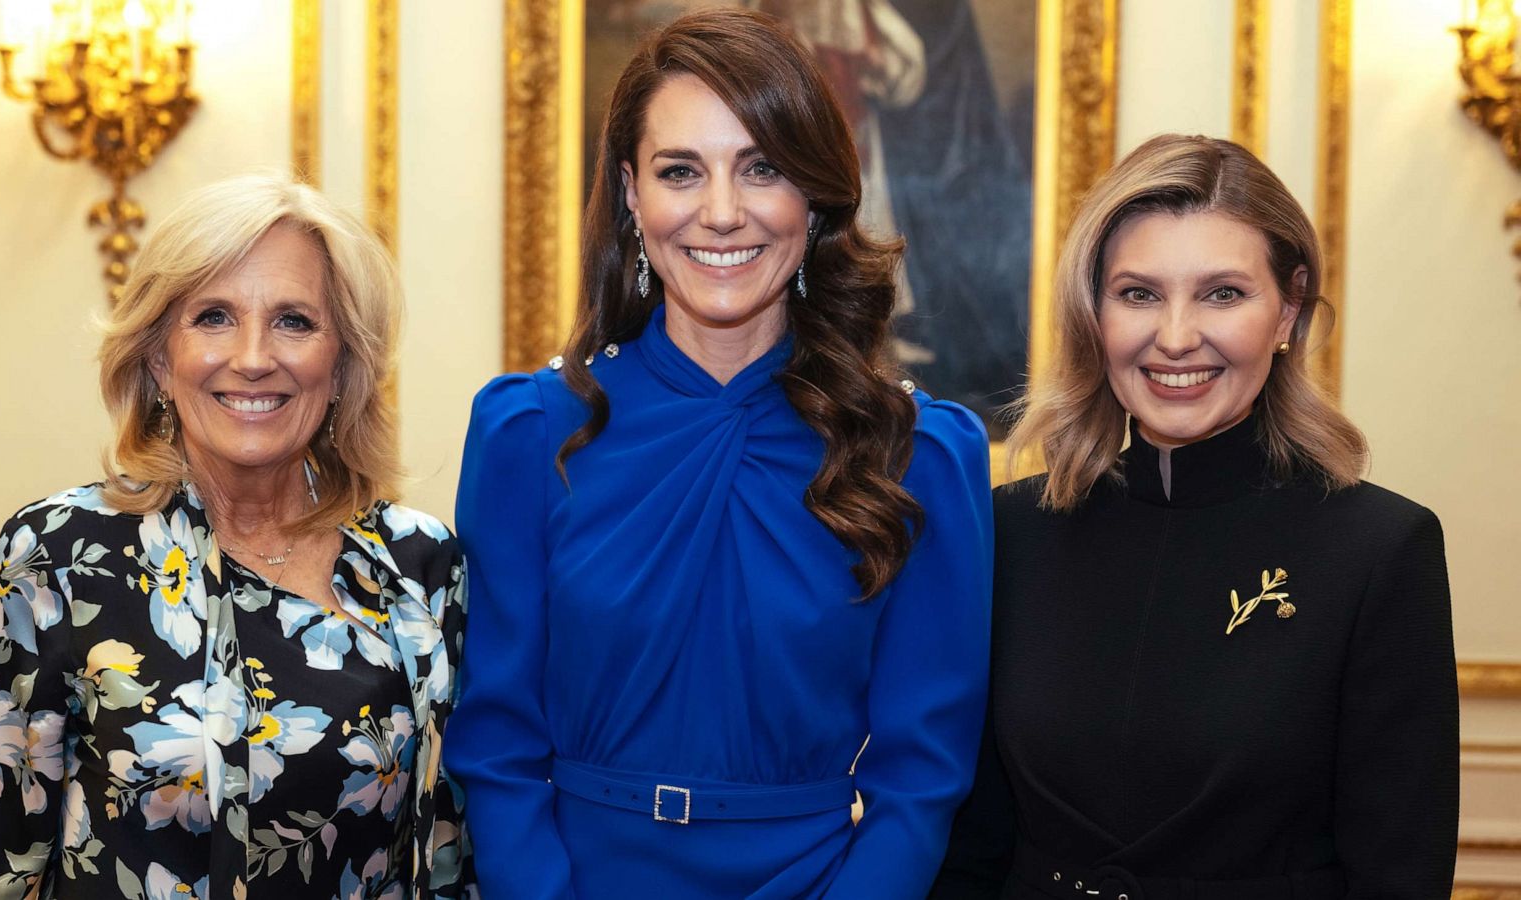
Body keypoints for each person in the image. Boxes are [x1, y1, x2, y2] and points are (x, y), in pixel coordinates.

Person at [446, 9, 993, 899]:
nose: (723, 212)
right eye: (680, 172)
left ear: (813, 194)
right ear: (631, 192)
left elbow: (921, 779)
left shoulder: (919, 453)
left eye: (763, 168)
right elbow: (498, 746)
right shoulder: (528, 431)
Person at [931, 134, 1458, 899]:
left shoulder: (1379, 550)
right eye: (1139, 293)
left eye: (1223, 293)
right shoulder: (1008, 531)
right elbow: (968, 848)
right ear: (1094, 314)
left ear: (1289, 311)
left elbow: (1399, 876)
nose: (1175, 337)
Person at [0, 174, 469, 899]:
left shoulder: (419, 564)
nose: (253, 356)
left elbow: (450, 846)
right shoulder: (58, 555)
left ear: (342, 363)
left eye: (294, 320)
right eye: (214, 316)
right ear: (161, 357)